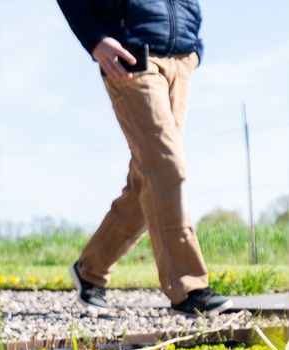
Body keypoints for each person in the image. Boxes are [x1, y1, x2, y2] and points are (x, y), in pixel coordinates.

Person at [54, 0, 230, 316]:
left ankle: (90, 269)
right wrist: (95, 40)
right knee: (167, 169)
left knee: (146, 181)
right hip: (133, 58)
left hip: (181, 59)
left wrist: (194, 48)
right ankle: (188, 288)